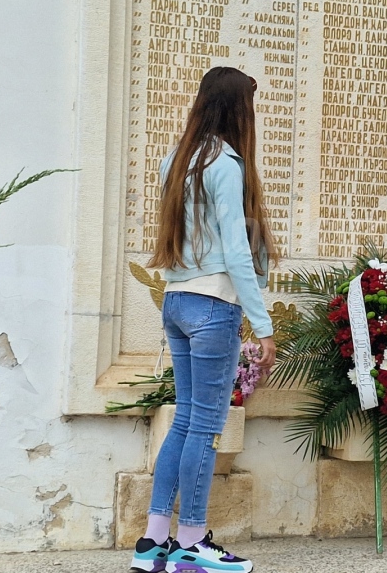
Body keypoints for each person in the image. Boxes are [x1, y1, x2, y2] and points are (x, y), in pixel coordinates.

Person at [130, 67, 278, 573]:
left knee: (186, 421)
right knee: (206, 426)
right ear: (238, 108)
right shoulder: (225, 163)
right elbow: (237, 252)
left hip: (176, 300)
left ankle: (153, 544)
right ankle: (192, 544)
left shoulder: (177, 159)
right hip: (214, 303)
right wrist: (263, 325)